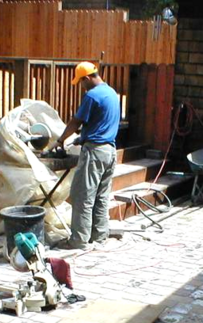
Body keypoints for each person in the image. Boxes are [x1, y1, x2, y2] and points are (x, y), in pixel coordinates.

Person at [50, 61, 120, 250]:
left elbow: (75, 122)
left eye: (81, 82)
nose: (81, 86)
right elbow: (102, 123)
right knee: (101, 196)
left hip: (95, 152)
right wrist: (83, 137)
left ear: (87, 78)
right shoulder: (112, 93)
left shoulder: (92, 95)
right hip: (110, 151)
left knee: (83, 195)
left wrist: (60, 140)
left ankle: (78, 240)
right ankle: (99, 236)